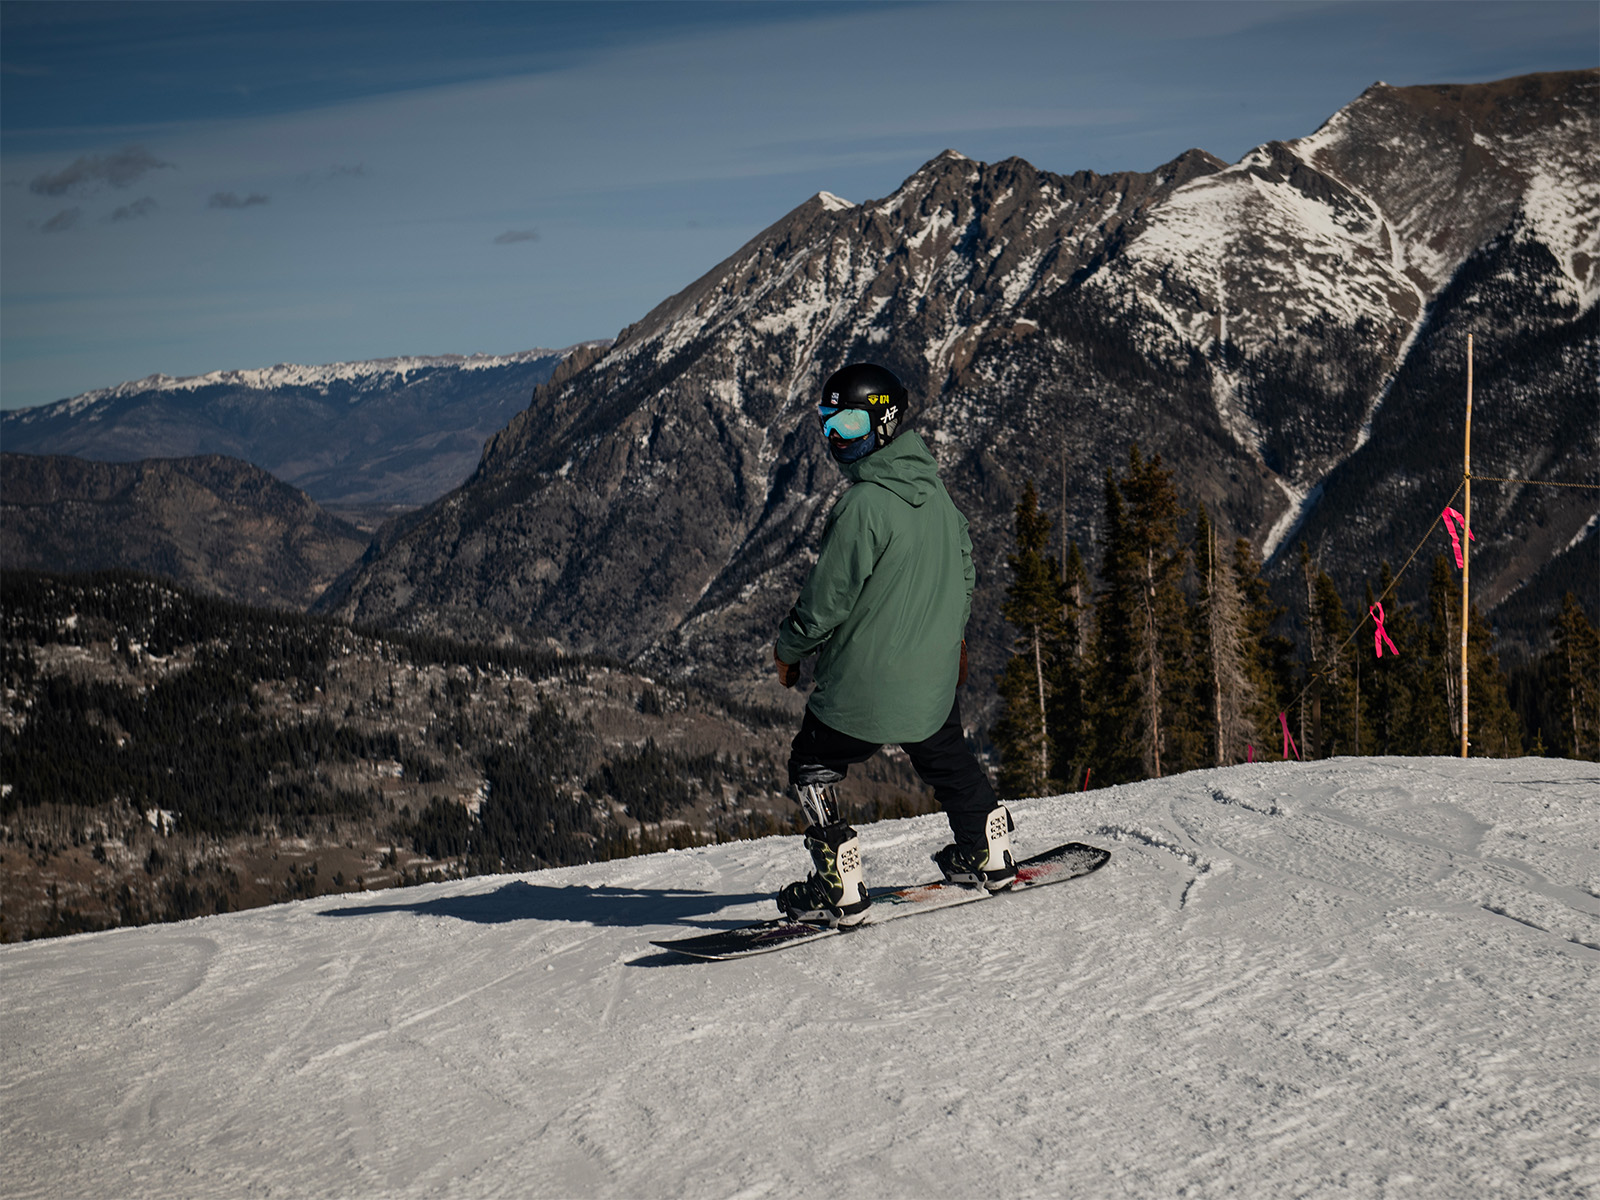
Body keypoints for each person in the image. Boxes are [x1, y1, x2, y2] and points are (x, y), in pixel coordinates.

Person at [773, 362, 1016, 927]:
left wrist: (790, 650)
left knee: (812, 761)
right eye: (828, 424)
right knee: (946, 755)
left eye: (850, 423)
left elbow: (825, 600)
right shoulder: (940, 500)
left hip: (861, 691)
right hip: (929, 684)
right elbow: (964, 574)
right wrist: (954, 644)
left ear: (883, 424)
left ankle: (839, 881)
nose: (836, 438)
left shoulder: (862, 507)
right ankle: (991, 848)